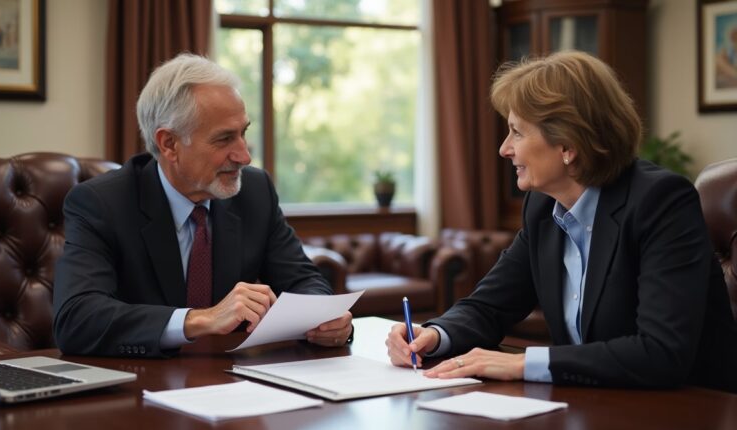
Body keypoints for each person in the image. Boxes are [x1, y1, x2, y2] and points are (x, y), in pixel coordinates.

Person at [386, 51, 737, 392]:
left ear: (568, 145)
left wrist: (523, 364)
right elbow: (490, 305)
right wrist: (434, 335)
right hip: (594, 405)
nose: (505, 149)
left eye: (517, 132)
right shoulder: (542, 207)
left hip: (689, 408)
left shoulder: (660, 203)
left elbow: (661, 353)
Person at [53, 53, 352, 357]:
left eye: (243, 133)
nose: (244, 156)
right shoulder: (102, 203)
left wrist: (324, 320)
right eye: (224, 139)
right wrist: (200, 319)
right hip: (138, 385)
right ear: (169, 144)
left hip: (230, 382)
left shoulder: (255, 191)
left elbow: (303, 280)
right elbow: (77, 319)